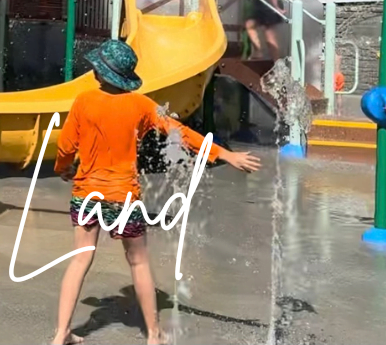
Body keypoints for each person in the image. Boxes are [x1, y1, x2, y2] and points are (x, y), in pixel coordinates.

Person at [51, 40, 261, 345]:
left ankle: (61, 334)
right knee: (138, 262)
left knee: (80, 259)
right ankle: (153, 335)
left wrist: (62, 169)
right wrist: (224, 155)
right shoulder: (140, 105)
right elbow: (181, 134)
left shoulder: (83, 102)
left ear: (99, 72)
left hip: (86, 193)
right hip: (122, 197)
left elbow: (65, 147)